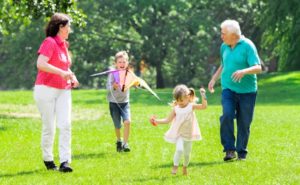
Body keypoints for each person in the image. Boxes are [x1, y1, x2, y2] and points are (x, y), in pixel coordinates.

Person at [208, 19, 262, 161]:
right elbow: (223, 64)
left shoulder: (248, 46)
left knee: (244, 122)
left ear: (233, 35)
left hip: (247, 92)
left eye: (223, 33)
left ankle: (241, 153)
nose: (221, 36)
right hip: (228, 89)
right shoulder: (224, 46)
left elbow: (258, 68)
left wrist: (244, 71)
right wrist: (214, 79)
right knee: (226, 115)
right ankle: (229, 150)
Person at [33, 13, 79, 172]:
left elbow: (65, 67)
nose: (70, 30)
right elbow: (41, 64)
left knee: (65, 124)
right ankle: (48, 160)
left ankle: (65, 161)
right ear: (60, 27)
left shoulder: (64, 45)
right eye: (68, 26)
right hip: (45, 89)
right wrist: (61, 73)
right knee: (49, 127)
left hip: (64, 90)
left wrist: (72, 76)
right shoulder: (49, 42)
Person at [149, 85, 207, 175]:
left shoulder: (191, 106)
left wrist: (203, 95)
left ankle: (184, 167)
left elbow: (204, 106)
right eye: (177, 100)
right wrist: (156, 121)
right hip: (179, 134)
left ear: (188, 97)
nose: (179, 102)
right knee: (179, 150)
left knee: (187, 155)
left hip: (189, 135)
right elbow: (167, 120)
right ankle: (175, 166)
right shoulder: (176, 109)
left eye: (181, 100)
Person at [107, 51, 132, 152]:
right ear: (115, 63)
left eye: (124, 62)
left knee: (127, 121)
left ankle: (125, 144)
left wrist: (136, 84)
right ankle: (119, 141)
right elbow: (107, 87)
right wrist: (113, 86)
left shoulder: (129, 74)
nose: (122, 64)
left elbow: (133, 83)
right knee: (117, 125)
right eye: (120, 62)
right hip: (114, 103)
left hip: (125, 103)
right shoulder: (112, 74)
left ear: (127, 63)